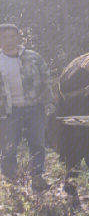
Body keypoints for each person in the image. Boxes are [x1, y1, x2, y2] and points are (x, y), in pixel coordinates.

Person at [0, 24, 54, 191]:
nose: (9, 40)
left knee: (37, 144)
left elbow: (46, 80)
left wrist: (49, 103)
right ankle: (11, 184)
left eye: (12, 36)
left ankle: (37, 178)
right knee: (8, 149)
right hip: (9, 111)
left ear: (18, 37)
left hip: (34, 108)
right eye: (4, 37)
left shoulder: (33, 57)